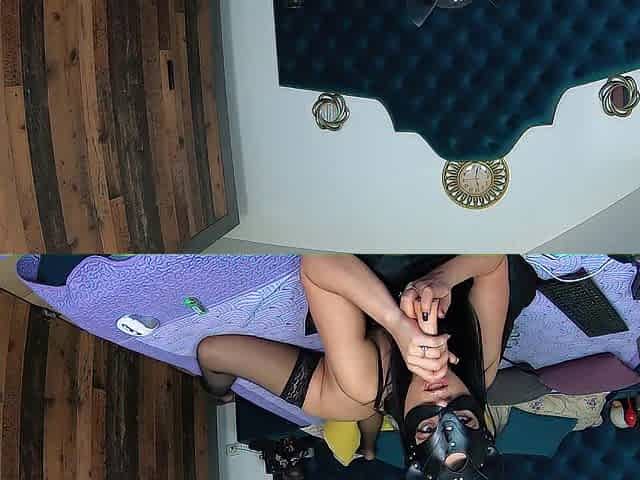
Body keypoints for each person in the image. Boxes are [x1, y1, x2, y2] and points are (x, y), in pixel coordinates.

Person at [197, 255, 537, 477]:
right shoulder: (481, 368)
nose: (441, 399)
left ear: (407, 431)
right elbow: (494, 262)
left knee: (213, 354)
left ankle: (217, 390)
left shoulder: (363, 381)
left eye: (427, 427)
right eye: (463, 418)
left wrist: (396, 324)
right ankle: (369, 441)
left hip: (338, 391)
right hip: (375, 370)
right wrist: (440, 279)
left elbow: (318, 263)